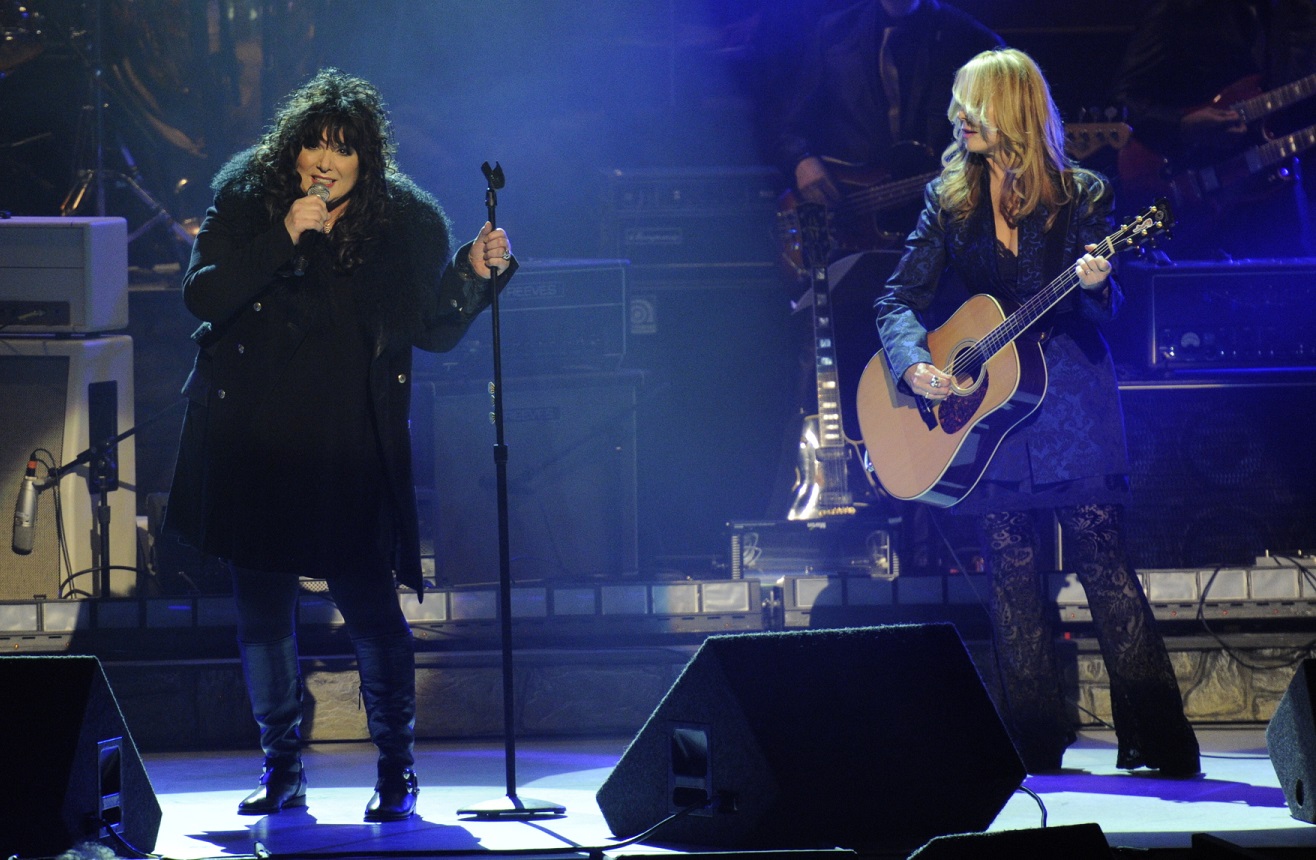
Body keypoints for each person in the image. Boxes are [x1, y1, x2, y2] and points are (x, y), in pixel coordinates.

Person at [163, 68, 514, 821]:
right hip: (255, 439)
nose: (325, 163)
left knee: (371, 612)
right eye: (313, 147)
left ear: (366, 162)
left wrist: (474, 275)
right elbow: (204, 293)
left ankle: (396, 771)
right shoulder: (247, 197)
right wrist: (283, 235)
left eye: (343, 152)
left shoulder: (405, 223)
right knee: (262, 613)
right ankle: (281, 767)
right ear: (292, 152)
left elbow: (434, 330)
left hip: (349, 445)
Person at [874, 48, 1201, 775]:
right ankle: (1030, 745)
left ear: (1012, 109)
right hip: (991, 413)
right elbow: (896, 299)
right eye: (956, 104)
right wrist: (917, 365)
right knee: (1012, 576)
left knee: (1104, 565)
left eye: (973, 105)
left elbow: (1110, 308)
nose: (958, 117)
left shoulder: (1082, 192)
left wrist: (1093, 282)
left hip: (1071, 400)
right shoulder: (947, 196)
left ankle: (1160, 742)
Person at [1111, 0, 1316, 258]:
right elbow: (1123, 99)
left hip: (1273, 188)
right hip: (1196, 191)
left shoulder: (1290, 13)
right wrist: (1182, 126)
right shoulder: (1180, 11)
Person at [774, 0, 1002, 219]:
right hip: (851, 217)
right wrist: (801, 160)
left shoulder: (972, 39)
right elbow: (791, 127)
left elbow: (1014, 127)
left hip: (942, 218)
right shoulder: (834, 32)